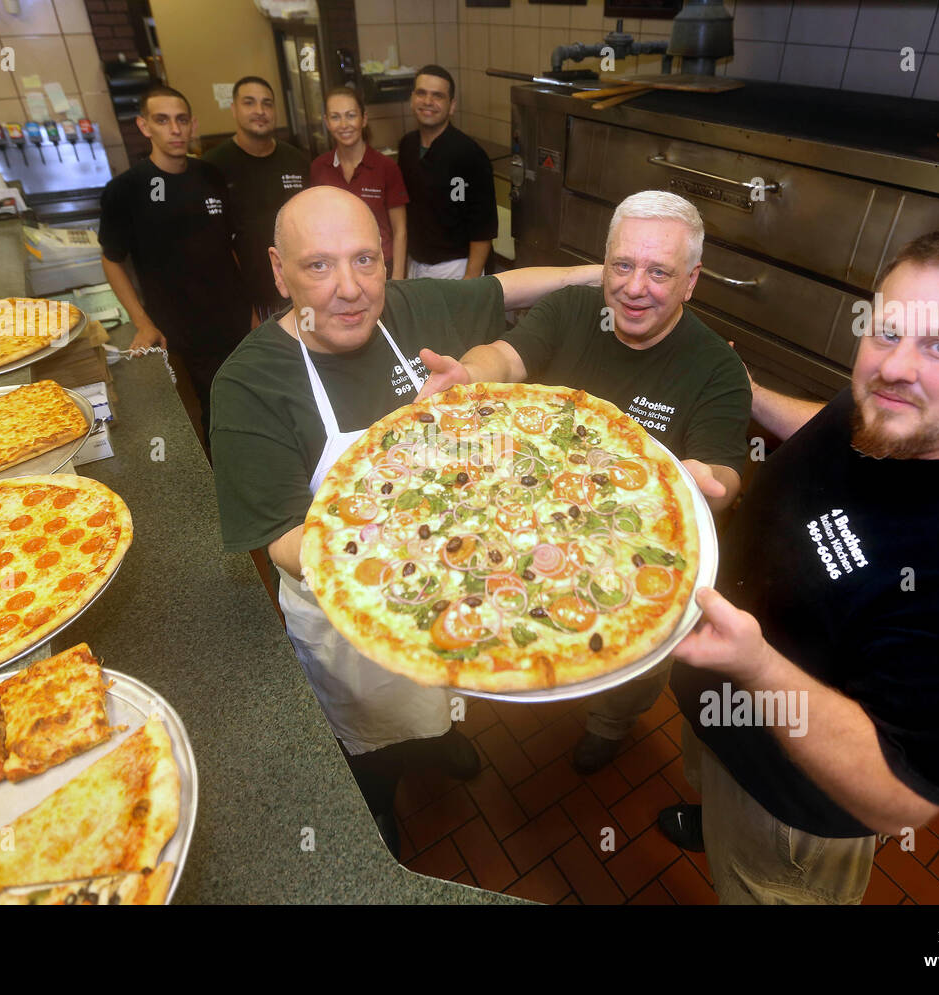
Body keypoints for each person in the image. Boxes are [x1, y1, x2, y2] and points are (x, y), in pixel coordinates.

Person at [659, 228, 939, 904]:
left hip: (789, 808)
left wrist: (754, 665)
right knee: (715, 787)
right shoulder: (892, 409)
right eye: (886, 332)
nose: (895, 367)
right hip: (721, 713)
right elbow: (834, 417)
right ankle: (713, 815)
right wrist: (750, 393)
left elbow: (902, 797)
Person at [210, 185, 600, 857]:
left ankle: (441, 738)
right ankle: (379, 802)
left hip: (449, 586)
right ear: (278, 270)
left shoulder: (410, 311)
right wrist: (410, 568)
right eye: (319, 266)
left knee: (439, 701)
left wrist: (597, 274)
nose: (350, 289)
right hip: (349, 612)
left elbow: (505, 290)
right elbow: (283, 541)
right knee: (369, 731)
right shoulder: (250, 384)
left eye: (366, 260)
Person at [417, 190, 750, 773]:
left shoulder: (716, 367)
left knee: (633, 671)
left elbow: (724, 471)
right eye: (621, 265)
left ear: (692, 281)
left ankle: (610, 724)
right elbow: (508, 356)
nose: (634, 287)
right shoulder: (574, 309)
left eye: (659, 272)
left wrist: (710, 480)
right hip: (531, 528)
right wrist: (469, 373)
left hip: (637, 560)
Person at [99, 85, 251, 449]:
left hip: (233, 321)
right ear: (144, 126)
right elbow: (111, 259)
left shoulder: (210, 175)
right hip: (180, 331)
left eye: (182, 120)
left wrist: (250, 314)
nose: (175, 129)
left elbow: (229, 248)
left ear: (193, 123)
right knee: (213, 416)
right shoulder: (126, 190)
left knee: (249, 402)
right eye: (162, 120)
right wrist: (143, 322)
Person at [203, 76, 308, 321]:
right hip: (246, 301)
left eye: (267, 104)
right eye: (249, 103)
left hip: (299, 294)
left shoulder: (296, 160)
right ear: (234, 109)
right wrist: (243, 307)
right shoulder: (212, 167)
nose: (260, 111)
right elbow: (214, 246)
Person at [398, 65, 497, 280]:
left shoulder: (469, 154)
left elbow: (483, 228)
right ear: (412, 99)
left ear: (452, 106)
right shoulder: (407, 146)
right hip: (416, 263)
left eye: (438, 96)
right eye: (421, 93)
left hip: (456, 268)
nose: (427, 101)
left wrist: (469, 285)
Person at [310, 86, 408, 280]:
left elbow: (400, 230)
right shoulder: (319, 168)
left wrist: (397, 278)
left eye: (351, 115)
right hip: (336, 271)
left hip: (379, 268)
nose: (344, 124)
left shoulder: (386, 167)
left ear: (364, 119)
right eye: (335, 117)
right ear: (327, 122)